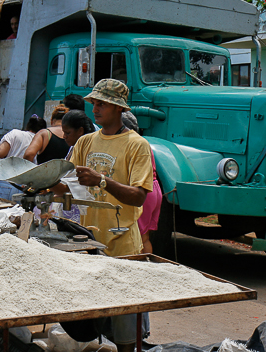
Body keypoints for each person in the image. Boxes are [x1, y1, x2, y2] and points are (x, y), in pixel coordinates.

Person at [58, 78, 153, 352]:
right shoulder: (85, 142)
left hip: (122, 245)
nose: (95, 109)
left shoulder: (137, 145)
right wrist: (46, 183)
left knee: (124, 324)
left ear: (118, 108)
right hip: (88, 242)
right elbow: (69, 185)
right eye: (94, 103)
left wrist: (102, 180)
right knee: (91, 317)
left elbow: (138, 195)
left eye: (102, 104)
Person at [121, 112, 163, 255]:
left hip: (142, 191)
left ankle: (142, 266)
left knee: (137, 237)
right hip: (154, 188)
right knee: (144, 237)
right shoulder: (141, 142)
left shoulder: (131, 144)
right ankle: (147, 265)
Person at [0, 115, 47, 200]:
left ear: (28, 126)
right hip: (27, 186)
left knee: (2, 211)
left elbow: (1, 153)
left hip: (6, 182)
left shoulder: (14, 133)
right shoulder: (41, 141)